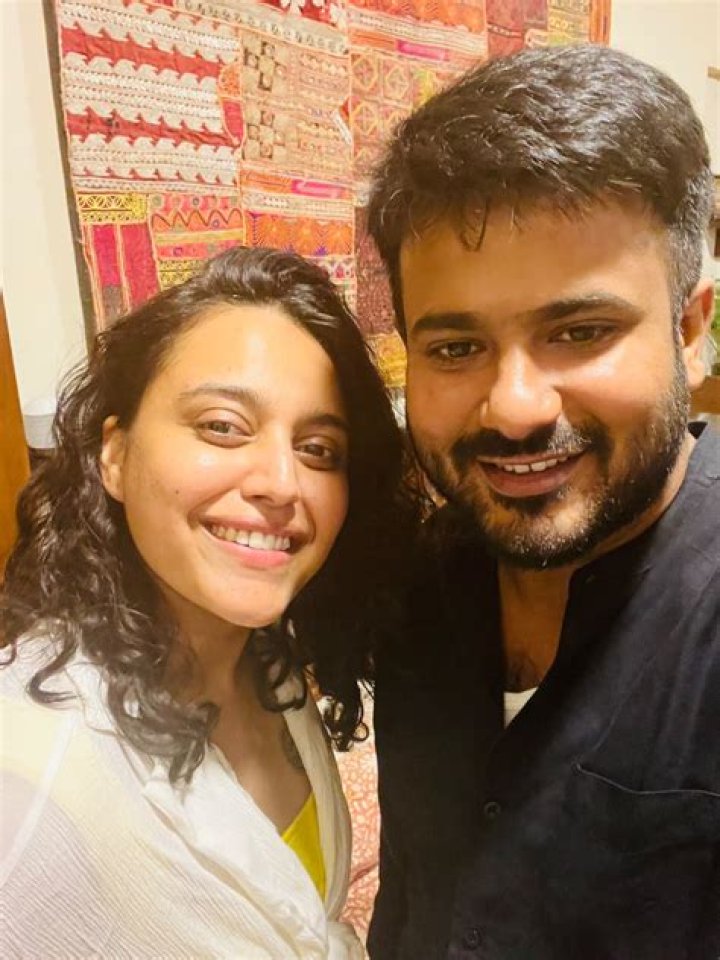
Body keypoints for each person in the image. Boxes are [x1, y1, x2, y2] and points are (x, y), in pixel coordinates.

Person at [365, 44, 719, 959]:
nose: (514, 408)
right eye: (455, 349)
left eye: (580, 330)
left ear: (690, 329)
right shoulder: (416, 583)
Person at [0, 246, 413, 959]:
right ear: (115, 454)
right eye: (223, 426)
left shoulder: (268, 665)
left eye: (319, 449)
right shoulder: (31, 769)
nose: (281, 482)